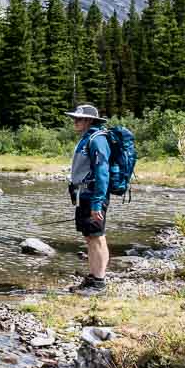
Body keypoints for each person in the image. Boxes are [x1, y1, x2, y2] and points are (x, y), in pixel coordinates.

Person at [65, 104, 110, 296]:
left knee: (96, 237)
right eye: (74, 118)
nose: (75, 122)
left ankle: (99, 283)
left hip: (93, 196)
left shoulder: (97, 140)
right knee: (90, 237)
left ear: (90, 120)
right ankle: (92, 278)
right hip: (83, 196)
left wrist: (97, 203)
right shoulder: (86, 139)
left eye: (79, 119)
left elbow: (103, 172)